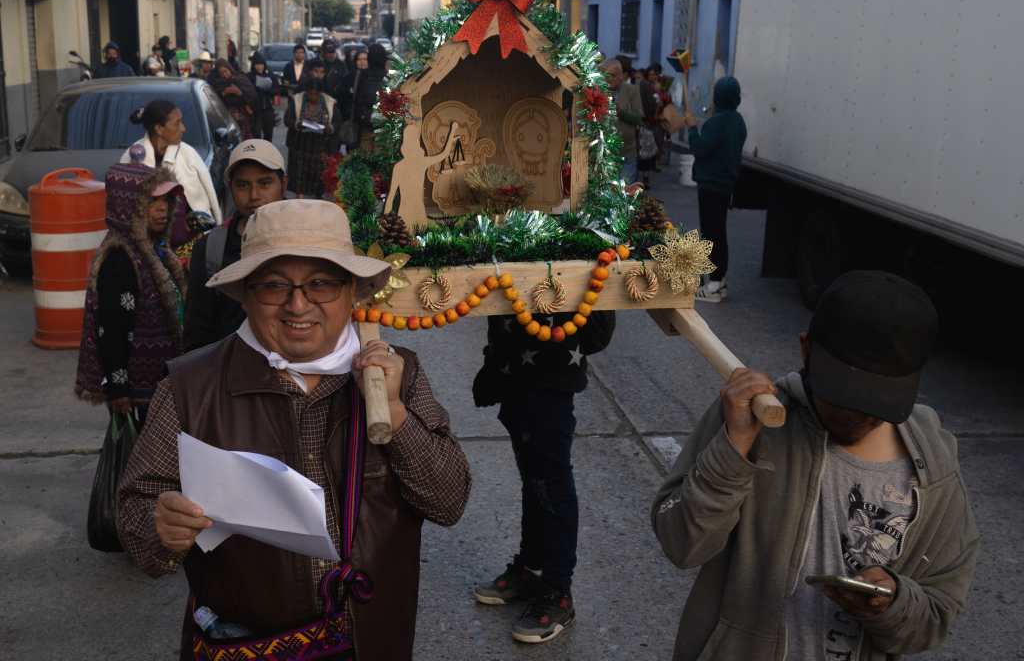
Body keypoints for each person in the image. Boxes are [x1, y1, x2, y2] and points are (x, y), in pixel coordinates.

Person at [117, 198, 471, 661]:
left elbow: (449, 502)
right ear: (246, 293)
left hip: (371, 642)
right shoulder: (190, 388)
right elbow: (135, 513)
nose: (298, 304)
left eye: (321, 284)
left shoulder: (399, 373)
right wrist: (160, 527)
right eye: (274, 285)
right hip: (242, 645)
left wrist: (398, 415)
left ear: (353, 292)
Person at [652, 271, 979, 661]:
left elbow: (937, 612)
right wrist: (733, 447)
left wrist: (892, 604)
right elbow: (681, 544)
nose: (856, 416)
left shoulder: (933, 468)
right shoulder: (751, 421)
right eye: (842, 398)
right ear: (806, 350)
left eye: (876, 405)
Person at [471, 307, 616, 644]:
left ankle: (558, 590)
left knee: (551, 480)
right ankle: (532, 565)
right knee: (532, 474)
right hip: (512, 367)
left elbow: (597, 334)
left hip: (553, 374)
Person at [74, 162, 187, 427]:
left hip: (159, 383)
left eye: (166, 200)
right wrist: (119, 389)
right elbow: (111, 329)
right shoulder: (120, 259)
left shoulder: (156, 250)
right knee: (142, 462)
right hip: (138, 393)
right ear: (129, 208)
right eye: (152, 201)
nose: (163, 208)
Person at [183, 140, 286, 351]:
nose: (254, 195)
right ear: (231, 188)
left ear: (283, 185)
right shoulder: (211, 248)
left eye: (265, 183)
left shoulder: (306, 239)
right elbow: (197, 329)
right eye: (243, 185)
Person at [122, 100, 223, 247]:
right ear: (159, 128)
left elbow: (209, 195)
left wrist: (217, 228)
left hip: (190, 245)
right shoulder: (132, 156)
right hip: (147, 246)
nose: (183, 128)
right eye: (177, 123)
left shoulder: (188, 155)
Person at [683, 76, 747, 303]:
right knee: (719, 233)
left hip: (710, 185)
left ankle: (713, 285)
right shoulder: (738, 121)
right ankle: (720, 282)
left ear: (719, 97)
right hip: (726, 185)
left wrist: (691, 128)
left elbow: (699, 149)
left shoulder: (717, 122)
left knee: (711, 234)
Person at [284, 78, 341, 198]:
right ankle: (300, 196)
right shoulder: (298, 101)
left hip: (320, 145)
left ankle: (318, 196)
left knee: (318, 173)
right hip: (300, 143)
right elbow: (287, 119)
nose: (313, 96)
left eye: (316, 94)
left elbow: (337, 121)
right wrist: (297, 124)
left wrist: (329, 128)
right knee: (300, 173)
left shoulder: (329, 103)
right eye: (310, 93)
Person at [600, 57, 643, 184]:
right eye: (605, 75)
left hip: (627, 152)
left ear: (621, 76)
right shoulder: (599, 90)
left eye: (612, 75)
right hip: (605, 153)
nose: (608, 79)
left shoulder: (631, 90)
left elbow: (639, 119)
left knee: (625, 194)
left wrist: (621, 113)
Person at [349, 43, 388, 151]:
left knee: (364, 158)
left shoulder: (362, 75)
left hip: (364, 125)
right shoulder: (389, 77)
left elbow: (356, 99)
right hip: (384, 127)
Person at [210, 58, 258, 139]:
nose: (224, 75)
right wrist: (224, 93)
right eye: (221, 73)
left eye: (225, 71)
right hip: (228, 122)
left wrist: (239, 92)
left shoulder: (241, 78)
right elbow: (214, 100)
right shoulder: (217, 83)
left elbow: (253, 96)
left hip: (245, 120)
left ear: (229, 68)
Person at [247, 52, 280, 141]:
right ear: (253, 65)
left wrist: (268, 89)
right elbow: (246, 93)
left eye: (261, 64)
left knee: (268, 136)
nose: (259, 67)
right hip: (255, 111)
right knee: (256, 136)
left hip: (268, 110)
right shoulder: (250, 76)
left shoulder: (270, 75)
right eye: (257, 64)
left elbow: (277, 89)